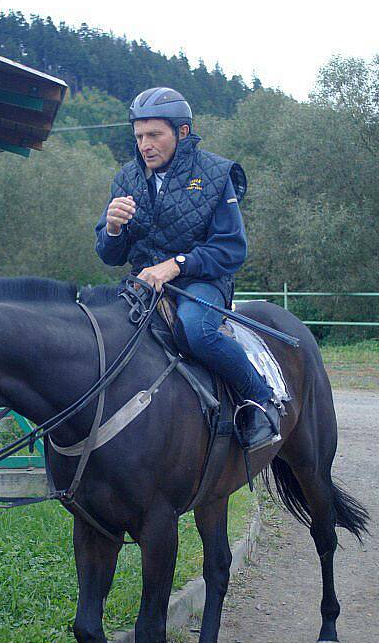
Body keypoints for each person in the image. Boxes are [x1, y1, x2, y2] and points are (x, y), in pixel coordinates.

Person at [94, 86, 281, 451]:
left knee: (195, 331)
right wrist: (112, 229)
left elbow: (231, 250)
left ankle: (262, 402)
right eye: (139, 136)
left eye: (154, 135)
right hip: (143, 283)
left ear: (181, 132)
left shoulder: (215, 173)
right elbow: (111, 255)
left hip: (203, 282)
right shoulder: (127, 178)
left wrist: (176, 265)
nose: (145, 144)